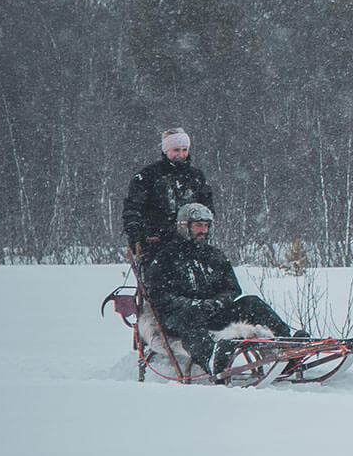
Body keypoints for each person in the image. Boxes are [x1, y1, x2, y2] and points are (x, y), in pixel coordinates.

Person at [142, 202, 302, 376]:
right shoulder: (166, 257)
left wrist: (217, 302)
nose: (203, 230)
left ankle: (288, 347)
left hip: (213, 313)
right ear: (184, 227)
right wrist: (192, 304)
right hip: (179, 317)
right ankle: (211, 361)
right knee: (190, 317)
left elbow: (232, 288)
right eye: (198, 226)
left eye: (206, 226)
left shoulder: (214, 255)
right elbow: (158, 295)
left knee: (252, 303)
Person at [122, 126, 214, 264]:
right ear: (166, 150)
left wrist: (203, 232)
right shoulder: (148, 176)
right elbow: (133, 209)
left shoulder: (196, 177)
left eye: (185, 149)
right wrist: (137, 237)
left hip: (191, 245)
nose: (181, 154)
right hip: (156, 244)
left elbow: (207, 209)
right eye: (176, 150)